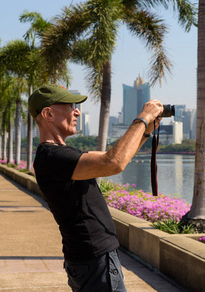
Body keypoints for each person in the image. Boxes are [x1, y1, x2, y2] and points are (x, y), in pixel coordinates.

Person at [28, 84, 163, 292]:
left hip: (89, 258)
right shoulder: (53, 157)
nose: (77, 111)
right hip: (94, 260)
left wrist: (145, 132)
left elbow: (119, 158)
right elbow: (113, 162)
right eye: (70, 106)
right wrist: (142, 118)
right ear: (48, 113)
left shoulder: (59, 154)